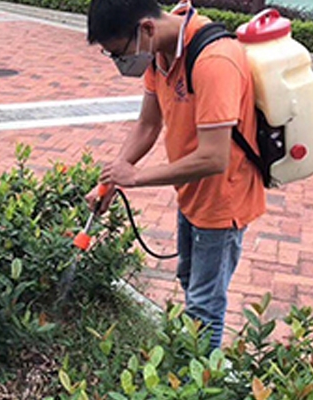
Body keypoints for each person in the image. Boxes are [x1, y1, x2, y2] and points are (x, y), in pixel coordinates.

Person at [85, 0, 266, 349]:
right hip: (190, 191)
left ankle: (199, 383)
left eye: (119, 53)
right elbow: (148, 124)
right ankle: (192, 365)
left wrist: (136, 177)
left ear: (146, 29)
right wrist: (108, 182)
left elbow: (215, 158)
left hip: (222, 200)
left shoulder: (214, 61)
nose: (121, 63)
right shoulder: (160, 54)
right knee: (189, 282)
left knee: (204, 305)